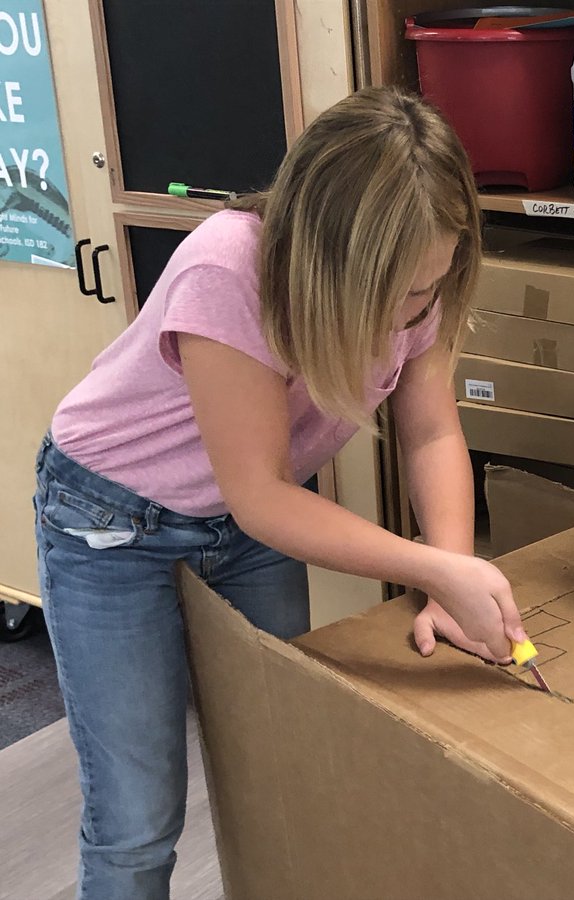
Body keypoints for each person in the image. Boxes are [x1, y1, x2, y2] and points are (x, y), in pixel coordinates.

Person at [34, 86, 527, 899]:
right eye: (398, 292)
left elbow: (433, 431)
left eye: (430, 286)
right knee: (137, 818)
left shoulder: (423, 280)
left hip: (245, 523)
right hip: (109, 520)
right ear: (326, 261)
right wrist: (437, 572)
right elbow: (261, 491)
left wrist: (451, 566)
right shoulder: (229, 268)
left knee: (277, 773)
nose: (415, 311)